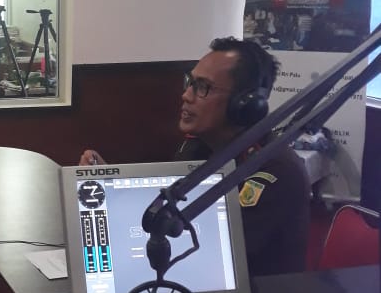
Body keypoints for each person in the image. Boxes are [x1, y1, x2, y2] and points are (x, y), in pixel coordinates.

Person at [79, 36, 311, 278]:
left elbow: (205, 252)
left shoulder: (275, 171)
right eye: (190, 83)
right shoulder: (198, 147)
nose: (186, 96)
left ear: (245, 104)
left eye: (203, 87)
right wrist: (110, 186)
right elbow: (167, 213)